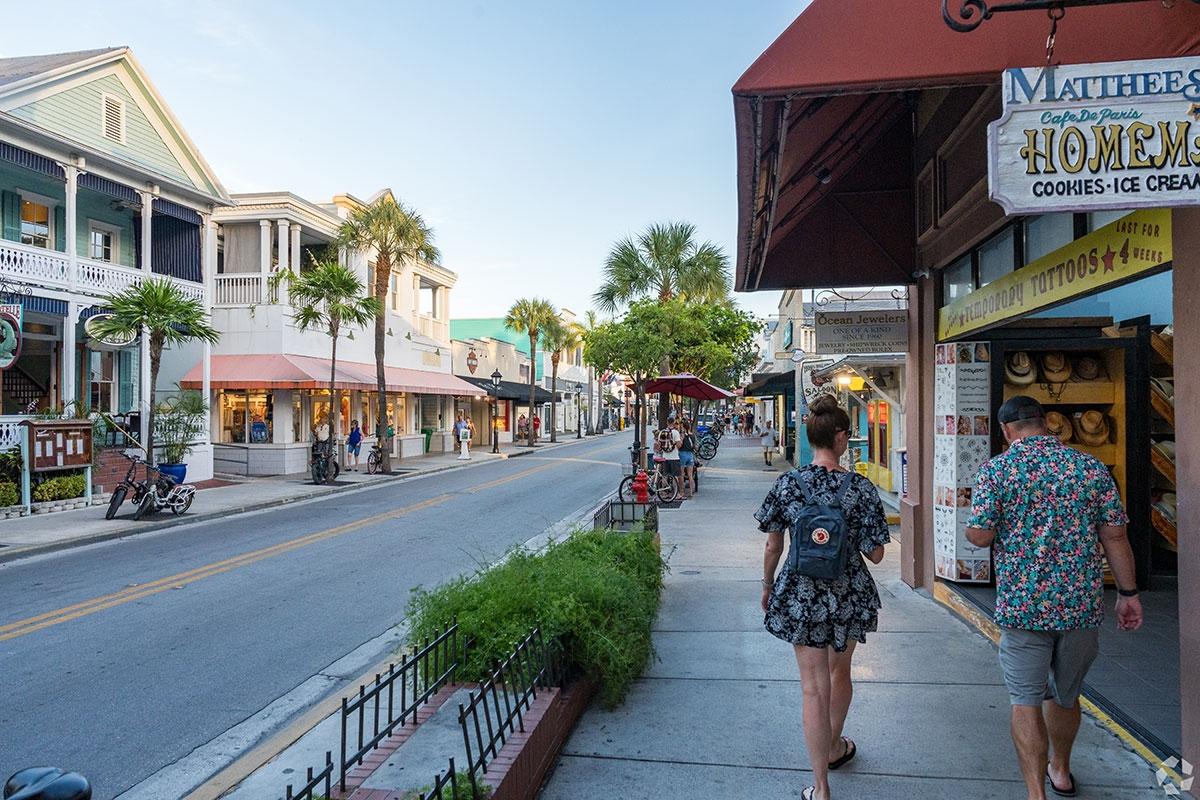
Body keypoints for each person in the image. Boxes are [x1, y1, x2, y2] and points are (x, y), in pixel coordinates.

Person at [965, 396, 1143, 800]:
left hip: (1023, 608)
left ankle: (1035, 793)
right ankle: (1060, 771)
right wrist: (1128, 593)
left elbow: (980, 536)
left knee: (1025, 700)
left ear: (1006, 431)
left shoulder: (998, 471)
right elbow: (1115, 536)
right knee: (1066, 695)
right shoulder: (1090, 468)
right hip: (1080, 607)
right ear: (1046, 424)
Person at [754, 395, 889, 800]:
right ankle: (834, 748)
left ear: (811, 437)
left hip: (801, 595)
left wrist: (766, 585)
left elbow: (772, 546)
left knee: (812, 688)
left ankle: (821, 786)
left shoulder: (787, 484)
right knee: (839, 674)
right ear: (841, 437)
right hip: (847, 595)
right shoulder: (860, 488)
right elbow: (877, 553)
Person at [677, 419, 696, 499]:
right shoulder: (692, 435)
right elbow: (694, 445)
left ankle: (682, 491)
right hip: (690, 455)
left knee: (681, 474)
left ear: (683, 427)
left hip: (682, 454)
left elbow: (679, 446)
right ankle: (691, 492)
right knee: (690, 475)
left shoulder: (682, 435)